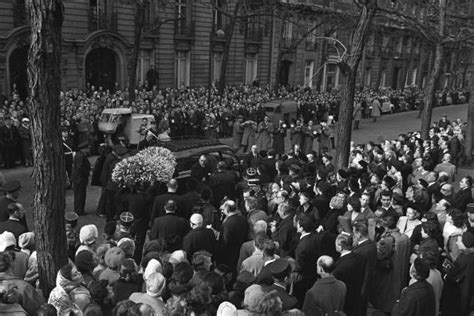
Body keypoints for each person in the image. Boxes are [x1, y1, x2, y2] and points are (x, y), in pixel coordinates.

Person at [333, 233, 366, 316]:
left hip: (346, 298)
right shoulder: (360, 258)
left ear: (340, 247)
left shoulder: (341, 266)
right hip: (357, 295)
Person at [219, 199, 249, 273]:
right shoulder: (243, 219)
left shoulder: (227, 223)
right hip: (241, 249)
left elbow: (225, 240)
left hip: (230, 252)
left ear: (227, 210)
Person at [72, 141, 90, 216]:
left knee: (78, 195)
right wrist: (86, 173)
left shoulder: (78, 155)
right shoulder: (81, 156)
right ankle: (79, 210)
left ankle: (78, 209)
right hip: (80, 179)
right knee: (80, 195)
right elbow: (80, 168)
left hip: (77, 178)